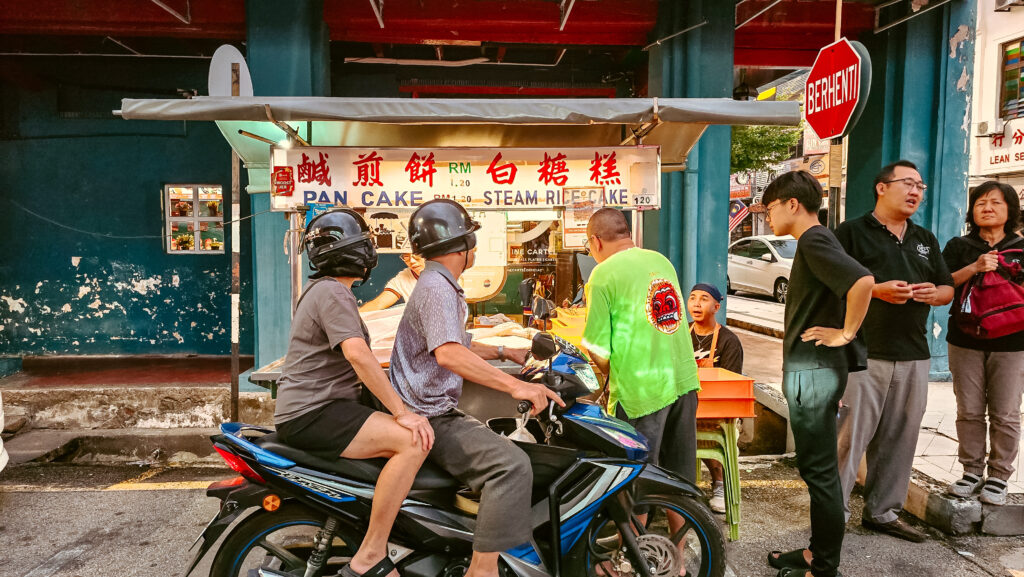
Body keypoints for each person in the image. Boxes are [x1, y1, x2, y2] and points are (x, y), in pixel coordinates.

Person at [389, 199, 563, 577]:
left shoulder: (437, 283)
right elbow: (449, 354)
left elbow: (455, 340)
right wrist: (515, 387)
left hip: (430, 409)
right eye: (472, 241)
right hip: (431, 416)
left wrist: (505, 350)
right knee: (512, 466)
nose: (475, 248)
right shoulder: (437, 287)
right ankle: (482, 571)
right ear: (461, 247)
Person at [273, 209, 435, 577]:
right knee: (413, 441)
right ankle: (372, 554)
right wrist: (402, 412)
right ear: (351, 253)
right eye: (364, 245)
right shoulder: (332, 292)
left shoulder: (327, 291)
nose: (369, 254)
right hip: (315, 412)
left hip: (317, 408)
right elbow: (357, 354)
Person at [760, 171, 874, 577]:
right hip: (814, 371)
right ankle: (815, 553)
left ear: (793, 204)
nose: (767, 216)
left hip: (814, 371)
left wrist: (845, 334)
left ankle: (824, 566)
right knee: (816, 469)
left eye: (769, 208)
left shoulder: (814, 238)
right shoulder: (813, 242)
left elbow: (862, 281)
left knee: (819, 472)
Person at [834, 160, 955, 542]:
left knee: (901, 438)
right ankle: (831, 515)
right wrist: (876, 289)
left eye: (920, 185)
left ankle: (883, 512)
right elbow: (831, 284)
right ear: (881, 188)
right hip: (864, 352)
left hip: (914, 353)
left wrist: (934, 294)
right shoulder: (851, 233)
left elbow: (947, 288)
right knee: (849, 438)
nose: (916, 191)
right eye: (907, 183)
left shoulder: (925, 239)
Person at [580, 207, 701, 566]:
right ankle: (676, 560)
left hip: (640, 392)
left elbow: (597, 347)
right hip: (682, 380)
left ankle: (630, 561)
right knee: (678, 475)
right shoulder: (660, 261)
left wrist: (601, 381)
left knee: (633, 481)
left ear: (596, 241)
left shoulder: (602, 274)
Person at [940, 181, 1024, 506]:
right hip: (964, 338)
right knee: (970, 410)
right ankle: (972, 471)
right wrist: (974, 267)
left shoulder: (1021, 246)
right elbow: (941, 284)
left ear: (1009, 210)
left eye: (995, 203)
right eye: (980, 203)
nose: (987, 208)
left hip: (1014, 342)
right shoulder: (959, 246)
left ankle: (1000, 476)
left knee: (1005, 413)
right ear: (972, 211)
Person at [686, 282, 743, 514]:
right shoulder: (680, 335)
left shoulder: (729, 341)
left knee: (709, 433)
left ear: (716, 306)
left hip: (718, 410)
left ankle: (719, 482)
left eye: (704, 298)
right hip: (687, 404)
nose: (697, 303)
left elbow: (732, 385)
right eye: (692, 298)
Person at [360, 252, 426, 312]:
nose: (412, 261)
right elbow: (378, 304)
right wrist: (354, 316)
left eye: (417, 254)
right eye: (406, 256)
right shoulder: (403, 277)